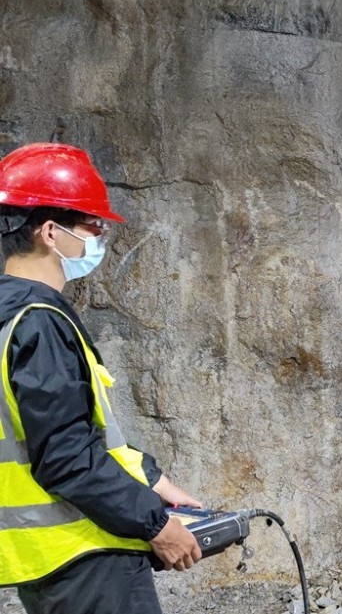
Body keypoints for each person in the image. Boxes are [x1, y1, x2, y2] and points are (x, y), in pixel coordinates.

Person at [0, 143, 203, 614]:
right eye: (93, 225)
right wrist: (156, 525)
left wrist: (152, 479)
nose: (102, 236)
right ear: (50, 232)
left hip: (47, 561)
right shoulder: (38, 322)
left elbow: (71, 433)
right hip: (87, 554)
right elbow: (66, 458)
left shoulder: (9, 319)